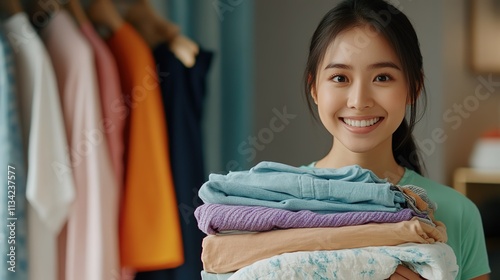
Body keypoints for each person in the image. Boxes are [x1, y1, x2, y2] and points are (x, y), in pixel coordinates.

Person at [302, 0, 491, 279]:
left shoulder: (457, 213)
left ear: (413, 88)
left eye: (382, 77)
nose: (359, 101)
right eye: (340, 77)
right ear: (315, 89)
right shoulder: (275, 205)